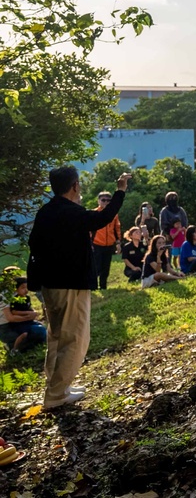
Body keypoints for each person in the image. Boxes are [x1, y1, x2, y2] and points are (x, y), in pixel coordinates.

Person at [27, 165, 130, 409]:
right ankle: (56, 395)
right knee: (74, 338)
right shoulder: (71, 213)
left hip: (50, 286)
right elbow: (103, 218)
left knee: (57, 337)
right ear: (75, 186)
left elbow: (34, 245)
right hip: (70, 284)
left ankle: (57, 387)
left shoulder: (46, 212)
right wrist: (120, 191)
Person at [0, 277, 46, 354]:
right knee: (27, 336)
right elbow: (11, 317)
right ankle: (13, 348)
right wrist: (28, 316)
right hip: (6, 327)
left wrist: (32, 313)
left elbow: (28, 308)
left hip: (19, 322)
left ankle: (26, 344)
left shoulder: (19, 295)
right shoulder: (4, 296)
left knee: (41, 332)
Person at [91, 191, 121, 290]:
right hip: (97, 244)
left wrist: (118, 242)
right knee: (96, 267)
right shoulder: (94, 213)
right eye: (103, 200)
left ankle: (103, 286)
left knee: (106, 267)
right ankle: (93, 286)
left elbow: (117, 229)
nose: (106, 202)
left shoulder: (114, 215)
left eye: (108, 200)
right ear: (98, 201)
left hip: (109, 244)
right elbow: (89, 230)